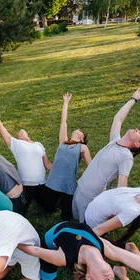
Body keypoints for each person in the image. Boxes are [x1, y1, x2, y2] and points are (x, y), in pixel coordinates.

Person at [72, 86, 140, 222]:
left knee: (84, 226)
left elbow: (122, 187)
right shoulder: (115, 141)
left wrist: (114, 209)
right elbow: (118, 119)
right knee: (74, 215)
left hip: (90, 197)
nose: (137, 129)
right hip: (80, 187)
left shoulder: (126, 157)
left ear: (137, 144)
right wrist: (134, 99)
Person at [39, 92, 92, 220]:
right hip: (52, 183)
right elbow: (63, 121)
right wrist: (66, 103)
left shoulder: (82, 147)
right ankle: (55, 203)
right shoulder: (63, 142)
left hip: (68, 186)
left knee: (66, 216)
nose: (77, 129)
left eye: (79, 130)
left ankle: (61, 203)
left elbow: (91, 166)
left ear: (81, 138)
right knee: (47, 209)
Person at [0, 110, 51, 213]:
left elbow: (48, 164)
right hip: (26, 185)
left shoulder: (38, 145)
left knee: (49, 208)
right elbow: (1, 129)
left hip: (42, 183)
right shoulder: (16, 144)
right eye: (18, 134)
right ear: (17, 137)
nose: (21, 131)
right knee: (20, 212)